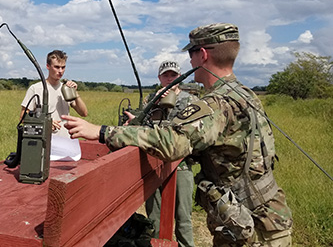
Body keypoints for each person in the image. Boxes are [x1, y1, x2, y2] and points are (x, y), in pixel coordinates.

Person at [62, 23, 293, 246]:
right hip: (269, 213)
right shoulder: (245, 94)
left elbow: (172, 142)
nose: (190, 61)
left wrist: (101, 131)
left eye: (191, 53)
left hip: (249, 223)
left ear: (202, 54)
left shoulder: (215, 104)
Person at [143, 60, 196, 247]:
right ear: (159, 78)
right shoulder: (150, 98)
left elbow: (191, 131)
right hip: (154, 163)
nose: (169, 79)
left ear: (179, 78)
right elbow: (143, 128)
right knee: (154, 216)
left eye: (173, 75)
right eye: (166, 75)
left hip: (181, 165)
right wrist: (155, 103)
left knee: (183, 216)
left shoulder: (190, 100)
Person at [20, 50, 88, 137]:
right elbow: (23, 117)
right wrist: (46, 123)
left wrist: (75, 93)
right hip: (44, 141)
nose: (60, 71)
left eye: (63, 67)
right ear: (48, 66)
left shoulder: (66, 89)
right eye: (57, 67)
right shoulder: (36, 88)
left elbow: (84, 113)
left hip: (65, 139)